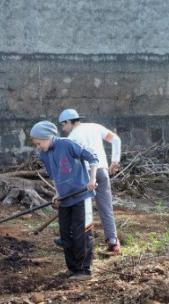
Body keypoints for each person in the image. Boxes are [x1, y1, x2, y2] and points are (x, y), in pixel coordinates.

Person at [29, 120, 98, 281]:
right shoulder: (43, 154)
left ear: (47, 137)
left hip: (81, 195)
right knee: (65, 233)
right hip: (65, 198)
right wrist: (57, 194)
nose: (38, 147)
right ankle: (72, 268)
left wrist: (92, 179)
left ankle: (84, 270)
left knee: (82, 232)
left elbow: (92, 157)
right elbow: (54, 176)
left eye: (39, 143)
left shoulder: (67, 144)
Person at [58, 108, 122, 255]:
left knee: (82, 210)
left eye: (63, 125)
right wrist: (115, 161)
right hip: (102, 171)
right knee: (106, 207)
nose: (64, 129)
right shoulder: (95, 127)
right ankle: (113, 240)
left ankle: (80, 242)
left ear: (68, 122)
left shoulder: (72, 137)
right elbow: (116, 140)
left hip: (85, 174)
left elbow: (70, 163)